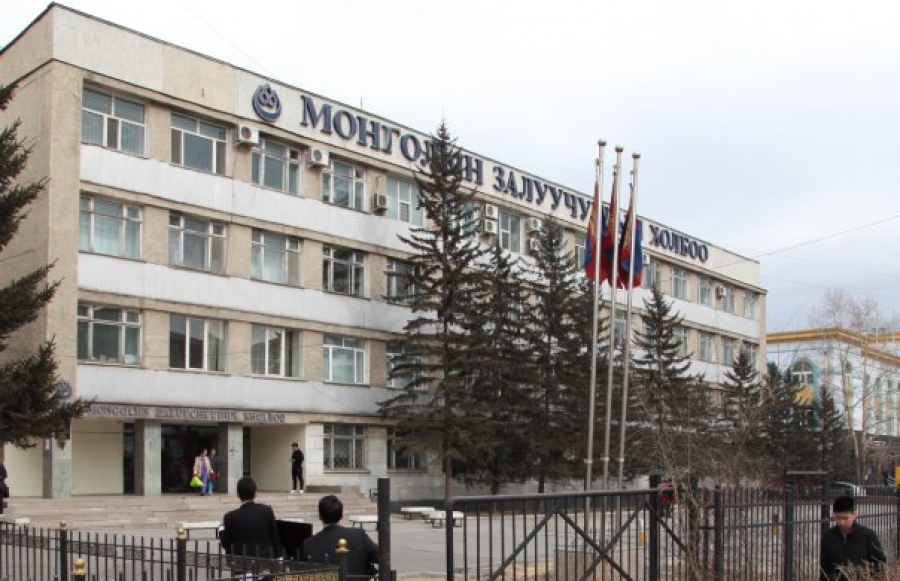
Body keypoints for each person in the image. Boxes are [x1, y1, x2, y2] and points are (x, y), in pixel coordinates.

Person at [304, 495, 378, 578]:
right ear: (341, 515)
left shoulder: (309, 544)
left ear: (320, 516)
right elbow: (379, 557)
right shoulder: (359, 535)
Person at [220, 476, 282, 573]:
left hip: (241, 567)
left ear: (238, 495)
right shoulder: (266, 511)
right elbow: (275, 537)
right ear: (255, 493)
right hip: (263, 566)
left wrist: (221, 529)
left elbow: (226, 544)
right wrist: (279, 557)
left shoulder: (230, 517)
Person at [820, 495, 885, 581]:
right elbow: (824, 567)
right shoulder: (828, 536)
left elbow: (879, 563)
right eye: (838, 518)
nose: (842, 522)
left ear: (855, 514)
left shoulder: (868, 535)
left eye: (845, 518)